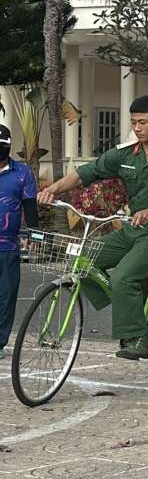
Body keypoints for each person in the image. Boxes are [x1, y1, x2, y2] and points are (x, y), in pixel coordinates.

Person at [37, 96, 148, 360]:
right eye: (134, 122)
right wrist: (52, 190)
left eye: (143, 122)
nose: (137, 128)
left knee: (123, 277)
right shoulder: (125, 154)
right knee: (82, 259)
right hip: (132, 230)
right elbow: (84, 173)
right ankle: (131, 305)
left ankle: (136, 338)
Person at [0, 124, 39, 359]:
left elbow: (30, 206)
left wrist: (35, 235)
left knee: (6, 296)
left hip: (8, 247)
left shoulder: (22, 173)